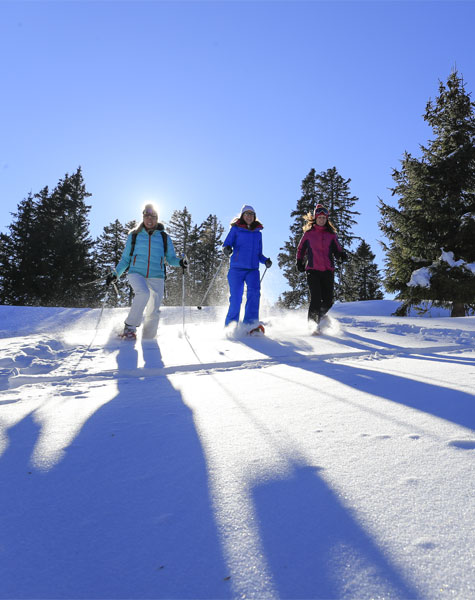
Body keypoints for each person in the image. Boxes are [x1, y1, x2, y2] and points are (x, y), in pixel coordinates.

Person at [106, 204, 187, 340]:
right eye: (146, 216)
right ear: (143, 217)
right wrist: (115, 274)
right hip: (136, 272)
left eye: (153, 216)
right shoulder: (134, 236)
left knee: (153, 310)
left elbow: (171, 258)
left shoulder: (164, 237)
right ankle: (129, 328)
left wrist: (180, 262)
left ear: (157, 218)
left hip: (157, 276)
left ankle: (149, 338)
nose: (149, 219)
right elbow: (126, 259)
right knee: (143, 293)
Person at [296, 204, 347, 334]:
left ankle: (319, 317)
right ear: (315, 218)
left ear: (327, 219)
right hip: (313, 270)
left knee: (328, 301)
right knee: (316, 298)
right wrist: (299, 261)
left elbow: (337, 249)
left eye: (324, 218)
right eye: (320, 217)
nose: (322, 220)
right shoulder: (309, 234)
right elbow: (301, 249)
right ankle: (312, 326)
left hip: (328, 271)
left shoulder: (331, 235)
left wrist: (341, 255)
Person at [222, 204, 272, 333]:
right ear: (242, 216)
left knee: (254, 295)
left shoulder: (258, 234)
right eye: (247, 214)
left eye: (251, 214)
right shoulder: (236, 229)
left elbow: (259, 254)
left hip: (253, 270)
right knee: (236, 298)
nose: (249, 216)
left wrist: (265, 260)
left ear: (254, 217)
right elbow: (226, 244)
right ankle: (231, 326)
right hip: (237, 269)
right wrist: (227, 249)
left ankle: (251, 325)